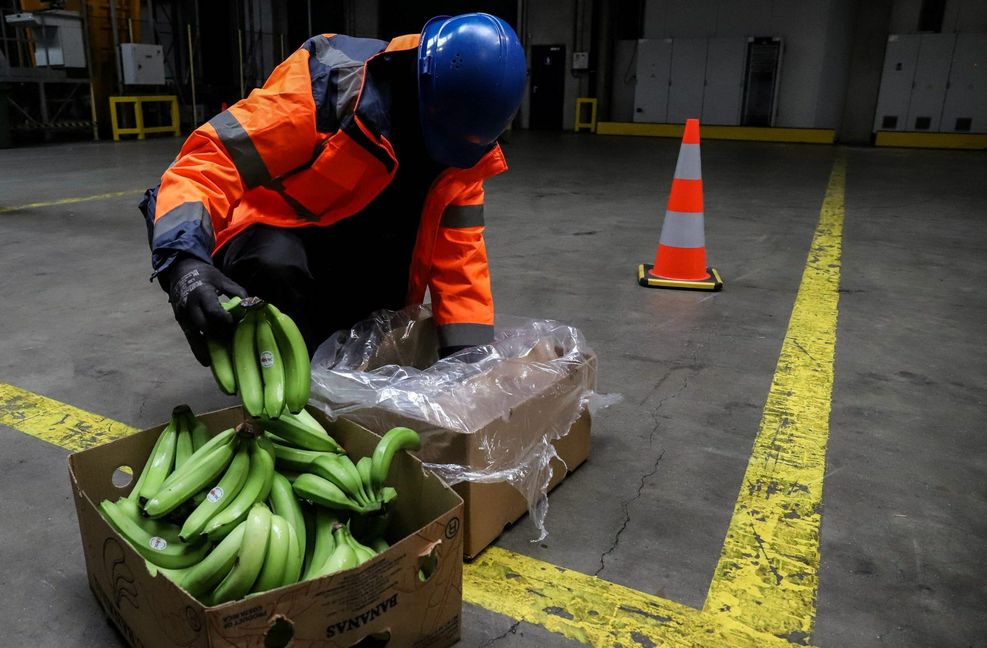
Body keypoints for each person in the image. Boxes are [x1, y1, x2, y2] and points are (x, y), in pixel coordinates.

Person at [140, 13, 526, 366]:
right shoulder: (328, 83)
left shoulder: (463, 152)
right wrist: (183, 262)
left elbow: (461, 259)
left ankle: (332, 381)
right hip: (272, 239)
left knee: (386, 311)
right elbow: (210, 160)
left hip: (354, 252)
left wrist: (469, 362)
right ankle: (273, 373)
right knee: (274, 265)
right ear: (420, 81)